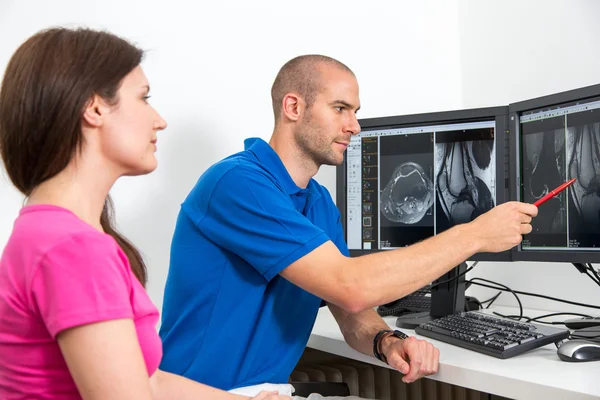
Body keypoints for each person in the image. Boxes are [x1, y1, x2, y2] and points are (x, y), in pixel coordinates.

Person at [158, 55, 538, 398]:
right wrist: (474, 234)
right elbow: (352, 286)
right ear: (293, 107)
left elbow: (351, 311)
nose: (354, 126)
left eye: (355, 111)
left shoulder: (319, 202)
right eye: (340, 109)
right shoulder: (237, 183)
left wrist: (387, 340)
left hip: (269, 392)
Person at [0, 27, 288, 400]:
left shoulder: (49, 229)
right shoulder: (73, 249)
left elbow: (148, 383)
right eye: (143, 98)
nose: (159, 120)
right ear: (95, 107)